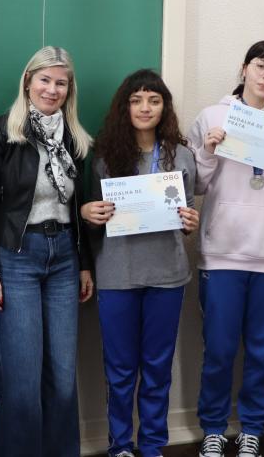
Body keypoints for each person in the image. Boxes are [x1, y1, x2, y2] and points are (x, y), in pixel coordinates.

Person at [189, 40, 264, 457]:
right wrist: (207, 150)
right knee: (219, 350)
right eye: (261, 66)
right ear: (244, 69)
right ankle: (213, 429)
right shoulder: (212, 116)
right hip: (221, 252)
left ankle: (253, 429)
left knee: (261, 350)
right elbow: (197, 186)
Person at [0, 45, 95, 457]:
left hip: (63, 256)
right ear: (28, 81)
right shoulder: (2, 132)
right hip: (17, 257)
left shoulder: (76, 138)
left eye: (61, 82)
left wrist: (84, 266)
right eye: (44, 79)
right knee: (21, 380)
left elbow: (81, 210)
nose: (52, 89)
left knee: (62, 377)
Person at [81, 69, 200, 457]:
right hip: (117, 274)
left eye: (154, 100)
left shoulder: (181, 155)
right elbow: (88, 215)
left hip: (167, 274)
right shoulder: (103, 156)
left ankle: (151, 445)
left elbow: (186, 215)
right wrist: (88, 212)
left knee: (157, 368)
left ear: (164, 107)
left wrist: (190, 222)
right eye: (136, 100)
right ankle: (120, 445)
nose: (145, 107)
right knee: (119, 370)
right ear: (124, 107)